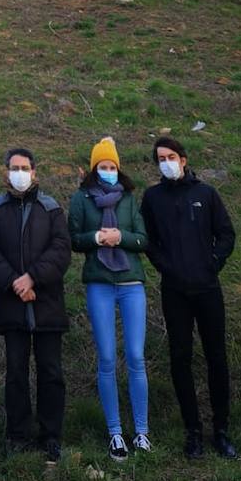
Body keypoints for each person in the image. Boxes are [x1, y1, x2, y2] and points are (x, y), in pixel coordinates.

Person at [140, 136, 237, 460]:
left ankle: (220, 429)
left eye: (170, 156)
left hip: (208, 288)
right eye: (160, 158)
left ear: (183, 159)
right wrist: (165, 267)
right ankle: (192, 430)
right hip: (174, 291)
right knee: (180, 357)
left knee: (216, 357)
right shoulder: (152, 197)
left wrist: (214, 263)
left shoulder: (206, 193)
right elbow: (148, 239)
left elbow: (226, 233)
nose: (166, 162)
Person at [0, 146, 72, 465]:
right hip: (12, 305)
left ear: (35, 172)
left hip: (47, 304)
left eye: (25, 167)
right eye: (14, 167)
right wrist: (15, 283)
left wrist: (32, 278)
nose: (19, 173)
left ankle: (51, 436)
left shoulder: (51, 208)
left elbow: (61, 250)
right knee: (16, 373)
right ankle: (17, 435)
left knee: (50, 372)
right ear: (6, 172)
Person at [67, 137, 151, 463]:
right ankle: (115, 432)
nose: (108, 171)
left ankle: (141, 431)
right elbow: (73, 238)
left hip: (131, 284)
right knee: (106, 358)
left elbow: (143, 239)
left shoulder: (130, 198)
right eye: (103, 166)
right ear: (94, 168)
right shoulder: (81, 198)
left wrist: (122, 238)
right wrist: (96, 238)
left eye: (112, 166)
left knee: (135, 356)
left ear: (119, 168)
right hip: (99, 284)